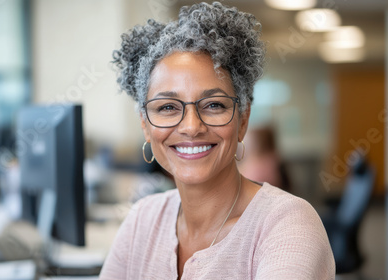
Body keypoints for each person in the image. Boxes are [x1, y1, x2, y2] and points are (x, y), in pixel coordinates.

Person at [99, 2, 335, 279]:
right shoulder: (142, 219)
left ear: (243, 120)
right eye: (167, 107)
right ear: (146, 125)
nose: (191, 127)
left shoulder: (287, 224)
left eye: (213, 105)